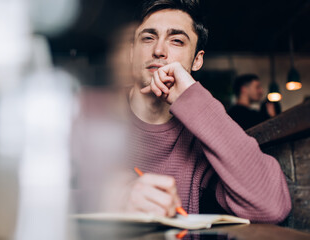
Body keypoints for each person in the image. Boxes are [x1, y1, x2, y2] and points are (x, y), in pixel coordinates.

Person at [122, 0, 291, 223]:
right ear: (132, 52)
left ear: (197, 60)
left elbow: (272, 205)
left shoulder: (202, 134)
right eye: (148, 38)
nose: (159, 50)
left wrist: (192, 96)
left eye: (176, 41)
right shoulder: (88, 111)